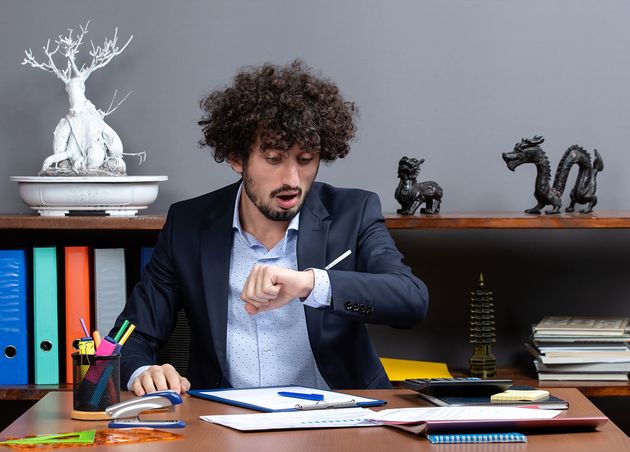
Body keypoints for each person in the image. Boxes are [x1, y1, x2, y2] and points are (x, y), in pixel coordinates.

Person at [113, 60, 428, 396]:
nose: (291, 180)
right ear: (236, 158)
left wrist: (310, 284)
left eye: (305, 159)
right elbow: (128, 337)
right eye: (274, 159)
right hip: (224, 423)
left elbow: (410, 300)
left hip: (337, 417)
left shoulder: (353, 212)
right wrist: (141, 372)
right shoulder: (188, 225)